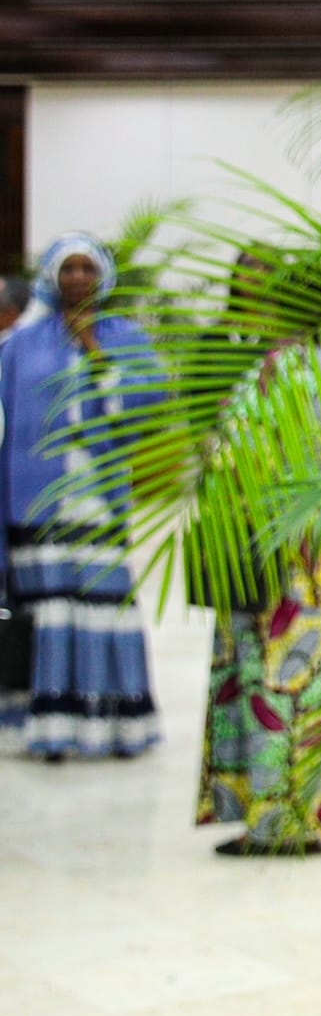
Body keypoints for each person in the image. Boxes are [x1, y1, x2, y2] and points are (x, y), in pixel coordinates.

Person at [194, 254, 321, 855]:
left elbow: (236, 462)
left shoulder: (273, 373)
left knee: (272, 687)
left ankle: (277, 823)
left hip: (279, 566)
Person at [0, 233, 164, 761]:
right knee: (48, 610)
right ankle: (49, 728)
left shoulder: (126, 338)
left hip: (97, 497)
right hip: (35, 498)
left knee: (102, 606)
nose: (76, 278)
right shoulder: (23, 345)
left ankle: (113, 726)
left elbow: (147, 408)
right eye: (67, 269)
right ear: (53, 276)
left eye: (86, 269)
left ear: (102, 277)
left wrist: (95, 351)